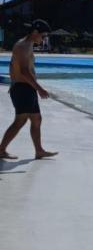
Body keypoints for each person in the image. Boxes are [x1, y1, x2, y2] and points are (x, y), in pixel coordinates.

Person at [0, 19, 58, 160]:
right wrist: (40, 89)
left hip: (26, 87)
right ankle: (1, 150)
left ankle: (39, 151)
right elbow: (25, 71)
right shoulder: (22, 46)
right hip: (22, 88)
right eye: (43, 36)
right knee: (20, 120)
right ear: (34, 32)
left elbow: (13, 64)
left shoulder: (29, 44)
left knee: (36, 119)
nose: (44, 39)